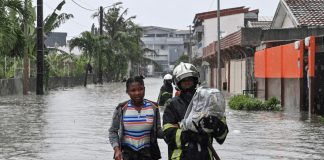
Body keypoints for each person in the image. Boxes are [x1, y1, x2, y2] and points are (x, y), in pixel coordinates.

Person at [163, 62, 229, 160]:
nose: (187, 82)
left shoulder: (209, 101)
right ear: (178, 83)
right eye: (183, 80)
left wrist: (216, 125)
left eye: (189, 79)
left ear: (195, 80)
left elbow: (221, 138)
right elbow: (168, 135)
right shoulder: (172, 105)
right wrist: (189, 136)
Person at [109, 76, 163, 160]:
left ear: (144, 89)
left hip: (148, 154)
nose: (137, 93)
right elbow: (113, 131)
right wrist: (117, 149)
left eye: (140, 89)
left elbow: (158, 131)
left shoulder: (153, 107)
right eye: (133, 90)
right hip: (127, 154)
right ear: (127, 92)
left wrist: (171, 131)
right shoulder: (122, 108)